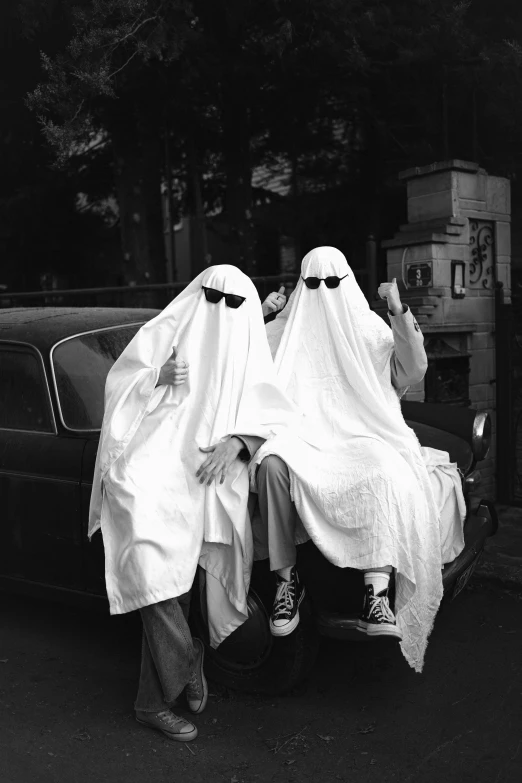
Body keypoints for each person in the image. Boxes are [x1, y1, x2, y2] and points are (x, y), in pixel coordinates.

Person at [88, 265, 299, 742]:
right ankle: (188, 659)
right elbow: (117, 383)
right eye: (212, 297)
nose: (220, 311)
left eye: (234, 303)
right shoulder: (169, 330)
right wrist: (154, 377)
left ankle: (150, 704)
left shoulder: (247, 351)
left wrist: (240, 442)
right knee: (149, 576)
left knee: (172, 589)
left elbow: (276, 410)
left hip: (198, 482)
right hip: (143, 474)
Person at [245, 246, 464, 674]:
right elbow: (242, 358)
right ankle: (286, 582)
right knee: (270, 464)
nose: (324, 293)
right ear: (302, 289)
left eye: (332, 283)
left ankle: (377, 595)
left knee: (384, 469)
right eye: (313, 284)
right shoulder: (283, 333)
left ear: (346, 283)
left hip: (362, 434)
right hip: (302, 438)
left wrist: (398, 310)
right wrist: (263, 313)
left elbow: (412, 368)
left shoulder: (368, 330)